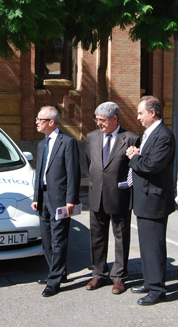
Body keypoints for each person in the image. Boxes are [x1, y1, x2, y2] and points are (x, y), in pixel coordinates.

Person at [126, 96, 176, 306]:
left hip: (154, 199)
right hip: (145, 198)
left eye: (140, 113)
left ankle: (157, 289)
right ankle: (150, 281)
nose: (138, 117)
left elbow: (151, 166)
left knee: (154, 245)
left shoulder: (164, 135)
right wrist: (138, 154)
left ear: (152, 113)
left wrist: (134, 156)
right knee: (146, 244)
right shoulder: (150, 133)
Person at [85, 102, 139, 295]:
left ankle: (119, 277)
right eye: (97, 119)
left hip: (119, 197)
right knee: (97, 237)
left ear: (115, 119)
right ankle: (99, 273)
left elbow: (134, 169)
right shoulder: (91, 137)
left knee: (121, 238)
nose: (99, 124)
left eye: (102, 120)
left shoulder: (131, 138)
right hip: (96, 196)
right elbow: (91, 163)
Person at [31, 106, 80, 297]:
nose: (36, 122)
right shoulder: (42, 144)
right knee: (47, 239)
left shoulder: (67, 142)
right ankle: (58, 271)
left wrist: (71, 199)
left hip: (60, 199)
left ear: (51, 122)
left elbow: (73, 173)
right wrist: (36, 197)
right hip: (43, 198)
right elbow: (39, 172)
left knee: (59, 239)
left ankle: (54, 280)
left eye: (39, 119)